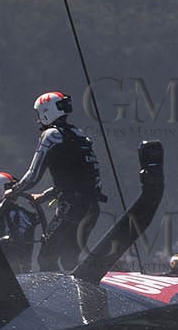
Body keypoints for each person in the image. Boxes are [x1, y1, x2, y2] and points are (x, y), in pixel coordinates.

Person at [9, 92, 106, 273]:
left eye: (39, 114)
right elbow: (78, 178)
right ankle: (84, 298)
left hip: (71, 207)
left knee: (45, 258)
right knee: (69, 259)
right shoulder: (79, 134)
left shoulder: (51, 135)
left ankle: (56, 299)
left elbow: (33, 175)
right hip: (92, 208)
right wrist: (46, 195)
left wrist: (13, 191)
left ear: (46, 112)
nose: (38, 120)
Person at [0, 171, 44, 273]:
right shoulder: (15, 213)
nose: (16, 192)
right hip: (11, 271)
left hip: (10, 271)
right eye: (11, 187)